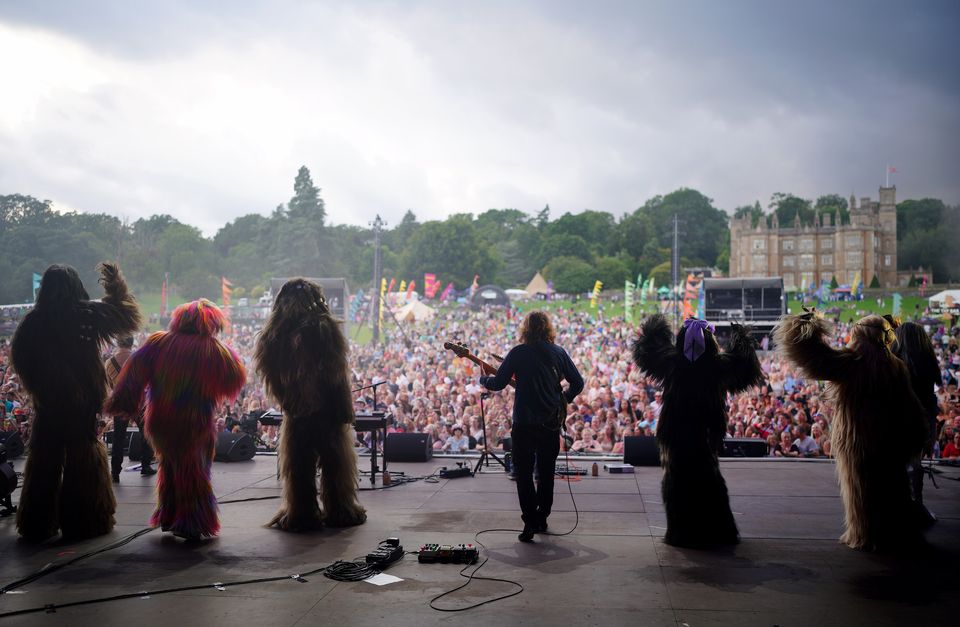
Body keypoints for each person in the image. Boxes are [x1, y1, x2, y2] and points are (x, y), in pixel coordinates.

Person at [775, 310, 928, 550]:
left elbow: (813, 357)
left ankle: (866, 534)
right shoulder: (897, 368)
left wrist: (804, 326)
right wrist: (916, 437)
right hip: (890, 439)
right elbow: (911, 408)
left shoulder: (851, 363)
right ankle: (898, 532)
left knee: (862, 489)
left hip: (859, 439)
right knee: (894, 485)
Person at [10, 262, 141, 542]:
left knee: (44, 459)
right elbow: (126, 315)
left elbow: (21, 361)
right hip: (81, 403)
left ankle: (36, 522)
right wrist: (114, 282)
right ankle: (85, 521)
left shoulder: (32, 323)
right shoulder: (85, 314)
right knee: (83, 458)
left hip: (49, 404)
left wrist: (45, 389)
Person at [106, 299, 245, 540]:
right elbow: (235, 378)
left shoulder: (158, 342)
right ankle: (191, 521)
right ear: (209, 322)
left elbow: (133, 373)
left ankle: (169, 514)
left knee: (170, 467)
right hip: (194, 422)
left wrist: (124, 403)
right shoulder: (211, 349)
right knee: (192, 469)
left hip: (161, 421)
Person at [632, 315, 765, 548]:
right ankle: (719, 530)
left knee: (677, 480)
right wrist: (741, 337)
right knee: (708, 478)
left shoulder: (671, 362)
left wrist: (657, 328)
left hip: (675, 430)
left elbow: (645, 350)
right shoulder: (717, 366)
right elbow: (746, 369)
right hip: (705, 430)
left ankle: (681, 532)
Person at [253, 278, 366, 531]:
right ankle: (340, 510)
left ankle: (301, 513)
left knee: (298, 467)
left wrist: (291, 401)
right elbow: (336, 375)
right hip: (327, 411)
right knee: (336, 464)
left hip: (296, 412)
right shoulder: (324, 328)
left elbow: (272, 377)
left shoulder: (273, 335)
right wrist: (343, 409)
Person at [480, 311, 584, 542]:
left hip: (525, 423)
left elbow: (497, 383)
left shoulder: (518, 353)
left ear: (525, 329)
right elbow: (578, 382)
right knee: (546, 474)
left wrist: (483, 379)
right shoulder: (558, 352)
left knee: (524, 474)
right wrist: (564, 398)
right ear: (548, 328)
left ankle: (529, 522)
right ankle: (542, 518)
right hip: (550, 422)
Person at [892, 321, 941, 525]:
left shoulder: (893, 363)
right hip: (920, 421)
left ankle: (899, 508)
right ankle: (915, 505)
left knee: (900, 465)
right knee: (914, 464)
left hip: (897, 421)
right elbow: (930, 401)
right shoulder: (927, 365)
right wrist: (931, 431)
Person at [107, 335, 155, 482]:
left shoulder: (109, 362)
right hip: (138, 401)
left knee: (118, 437)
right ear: (131, 342)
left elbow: (110, 384)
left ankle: (115, 471)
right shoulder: (138, 359)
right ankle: (146, 465)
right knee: (145, 434)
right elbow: (147, 380)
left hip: (120, 402)